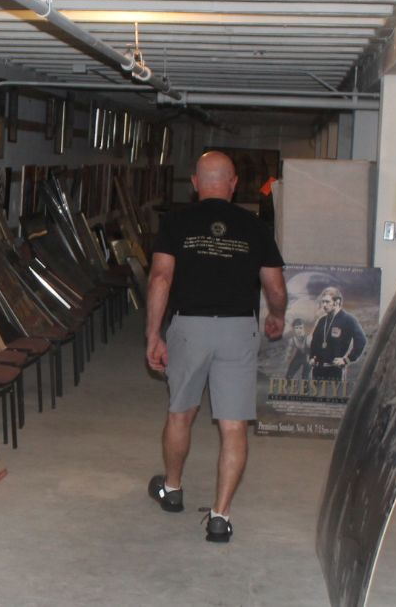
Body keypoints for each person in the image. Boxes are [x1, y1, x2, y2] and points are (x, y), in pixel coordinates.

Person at [145, 150, 286, 543]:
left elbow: (160, 279)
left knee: (180, 414)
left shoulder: (176, 223)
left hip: (189, 327)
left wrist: (153, 334)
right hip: (238, 330)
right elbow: (275, 287)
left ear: (194, 183)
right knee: (233, 425)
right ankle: (220, 516)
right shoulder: (255, 226)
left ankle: (172, 490)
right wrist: (276, 315)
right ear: (233, 183)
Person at [308, 287, 367, 382]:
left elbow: (361, 340)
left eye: (327, 302)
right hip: (318, 370)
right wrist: (311, 357)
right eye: (323, 302)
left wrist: (347, 359)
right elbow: (314, 342)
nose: (324, 305)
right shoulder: (322, 321)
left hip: (335, 371)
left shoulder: (348, 320)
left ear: (337, 302)